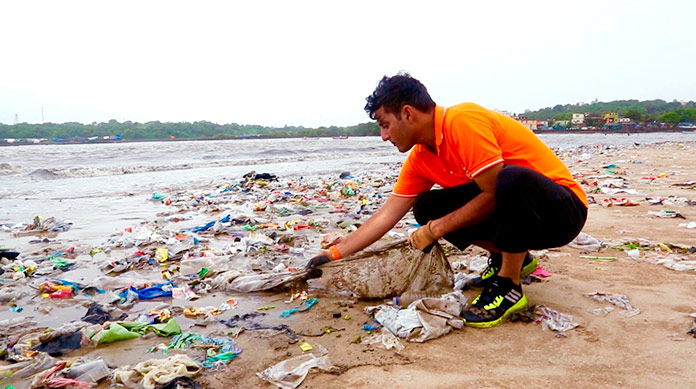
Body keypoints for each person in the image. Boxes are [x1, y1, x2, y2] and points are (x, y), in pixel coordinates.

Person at [306, 72, 587, 328]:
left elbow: (494, 196)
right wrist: (333, 254)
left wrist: (435, 230)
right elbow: (386, 215)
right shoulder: (420, 158)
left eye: (385, 125)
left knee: (509, 179)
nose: (383, 136)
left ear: (408, 113)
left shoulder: (462, 121)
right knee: (427, 205)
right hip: (519, 215)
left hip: (561, 212)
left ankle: (508, 285)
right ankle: (513, 256)